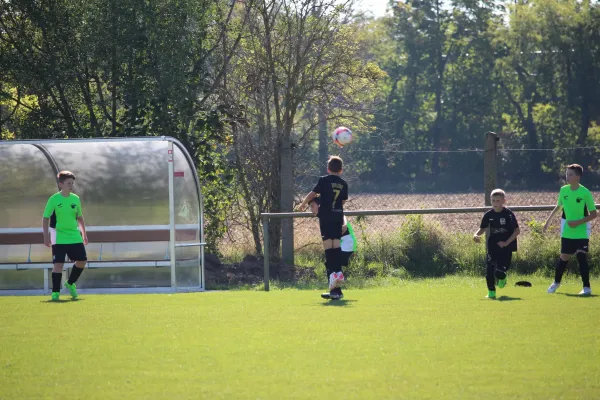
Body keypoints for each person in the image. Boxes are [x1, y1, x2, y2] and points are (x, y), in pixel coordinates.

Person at [296, 156, 348, 300]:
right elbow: (342, 201)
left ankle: (334, 289)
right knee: (336, 251)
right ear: (341, 170)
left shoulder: (323, 180)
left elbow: (313, 194)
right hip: (337, 218)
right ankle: (337, 290)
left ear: (328, 169)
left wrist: (302, 204)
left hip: (326, 218)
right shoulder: (344, 183)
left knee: (329, 253)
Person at [543, 164, 597, 295]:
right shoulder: (563, 190)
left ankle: (586, 288)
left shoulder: (585, 193)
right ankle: (556, 283)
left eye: (571, 174)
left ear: (578, 177)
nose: (567, 176)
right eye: (567, 174)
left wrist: (578, 222)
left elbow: (593, 214)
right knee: (564, 257)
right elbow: (558, 206)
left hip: (581, 231)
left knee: (581, 256)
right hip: (567, 231)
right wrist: (548, 221)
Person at [42, 171, 89, 301]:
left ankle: (70, 282)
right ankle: (55, 293)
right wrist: (46, 237)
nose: (71, 185)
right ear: (61, 184)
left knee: (82, 261)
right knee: (58, 264)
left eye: (72, 183)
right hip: (58, 236)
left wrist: (84, 234)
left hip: (74, 235)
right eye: (68, 183)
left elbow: (79, 217)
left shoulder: (76, 199)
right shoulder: (54, 199)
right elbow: (45, 218)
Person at [473, 189, 520, 299]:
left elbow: (517, 231)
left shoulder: (508, 214)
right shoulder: (488, 215)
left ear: (504, 201)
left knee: (499, 272)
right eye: (493, 201)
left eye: (498, 201)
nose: (495, 203)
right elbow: (482, 228)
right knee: (489, 269)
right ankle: (491, 292)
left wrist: (506, 243)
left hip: (506, 247)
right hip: (493, 245)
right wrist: (476, 235)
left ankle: (502, 278)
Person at [308, 197, 357, 300]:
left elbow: (342, 215)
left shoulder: (328, 212)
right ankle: (335, 292)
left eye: (312, 206)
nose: (311, 209)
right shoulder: (324, 215)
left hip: (346, 243)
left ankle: (335, 292)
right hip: (345, 244)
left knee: (332, 264)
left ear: (319, 205)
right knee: (331, 264)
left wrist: (344, 224)